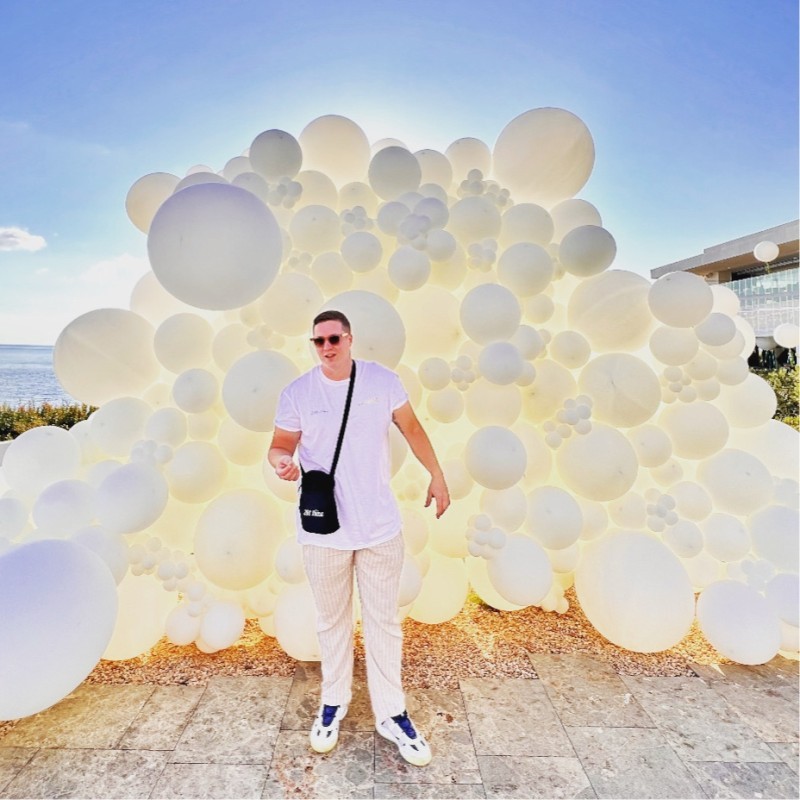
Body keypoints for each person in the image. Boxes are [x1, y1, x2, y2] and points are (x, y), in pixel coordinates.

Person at [267, 310, 450, 767]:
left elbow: (412, 429)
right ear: (313, 345)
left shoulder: (382, 381)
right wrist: (281, 462)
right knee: (331, 621)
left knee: (384, 621)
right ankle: (334, 702)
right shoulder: (298, 392)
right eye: (318, 341)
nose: (326, 347)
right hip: (323, 530)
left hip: (379, 527)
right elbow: (280, 443)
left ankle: (392, 713)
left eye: (334, 338)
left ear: (349, 339)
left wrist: (437, 474)